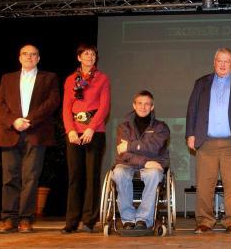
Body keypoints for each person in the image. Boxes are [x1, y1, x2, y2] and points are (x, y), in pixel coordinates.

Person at [186, 47, 231, 234]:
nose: (223, 64)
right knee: (204, 184)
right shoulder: (201, 83)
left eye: (227, 61)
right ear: (214, 63)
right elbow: (192, 109)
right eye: (219, 61)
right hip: (206, 142)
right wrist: (190, 134)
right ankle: (204, 221)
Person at [0, 44, 60, 234]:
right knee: (9, 178)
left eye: (33, 54)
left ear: (38, 58)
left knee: (31, 177)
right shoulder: (7, 78)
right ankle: (8, 219)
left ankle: (25, 219)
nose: (29, 57)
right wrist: (13, 121)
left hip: (36, 132)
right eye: (25, 54)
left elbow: (52, 102)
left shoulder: (49, 78)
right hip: (9, 132)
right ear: (19, 57)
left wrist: (29, 121)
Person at [61, 44, 111, 234]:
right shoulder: (70, 79)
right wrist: (70, 130)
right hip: (74, 132)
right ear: (79, 57)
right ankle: (71, 221)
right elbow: (66, 107)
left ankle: (89, 220)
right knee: (75, 177)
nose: (90, 57)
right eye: (86, 54)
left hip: (95, 132)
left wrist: (91, 128)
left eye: (93, 54)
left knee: (92, 176)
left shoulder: (102, 78)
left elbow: (104, 106)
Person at [112, 90, 170, 231]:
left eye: (147, 104)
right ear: (134, 105)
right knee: (118, 172)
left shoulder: (161, 127)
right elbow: (123, 153)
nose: (143, 107)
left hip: (153, 165)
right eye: (139, 103)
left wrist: (131, 146)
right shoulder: (123, 127)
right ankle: (128, 219)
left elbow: (154, 149)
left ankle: (143, 219)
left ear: (152, 107)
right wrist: (145, 162)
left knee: (154, 173)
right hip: (129, 164)